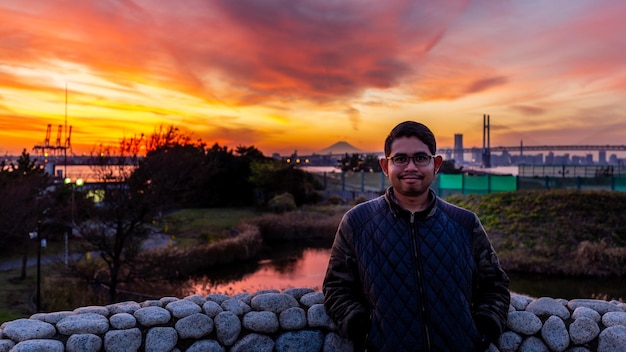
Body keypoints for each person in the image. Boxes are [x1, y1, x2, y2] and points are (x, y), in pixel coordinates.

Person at [323, 121, 510, 351]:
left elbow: (495, 285)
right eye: (400, 159)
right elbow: (336, 287)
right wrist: (360, 327)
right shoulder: (357, 222)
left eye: (421, 158)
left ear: (436, 164)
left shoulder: (465, 223)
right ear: (385, 166)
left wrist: (485, 327)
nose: (411, 167)